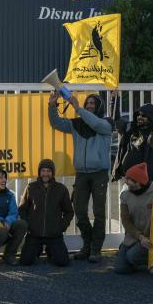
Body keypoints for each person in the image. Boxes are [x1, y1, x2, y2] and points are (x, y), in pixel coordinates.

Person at [49, 92, 113, 263]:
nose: (90, 105)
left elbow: (95, 123)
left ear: (99, 107)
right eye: (88, 103)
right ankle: (88, 244)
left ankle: (95, 250)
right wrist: (52, 105)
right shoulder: (77, 123)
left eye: (93, 103)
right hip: (82, 174)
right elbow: (56, 123)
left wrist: (77, 108)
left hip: (99, 173)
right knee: (80, 210)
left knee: (99, 213)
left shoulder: (106, 124)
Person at [19, 159, 74, 267]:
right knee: (25, 262)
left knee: (63, 262)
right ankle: (37, 249)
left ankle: (50, 250)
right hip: (34, 234)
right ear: (39, 172)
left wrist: (61, 227)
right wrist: (29, 225)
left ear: (52, 173)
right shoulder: (31, 187)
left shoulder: (61, 189)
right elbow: (22, 209)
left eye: (48, 171)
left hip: (54, 234)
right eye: (43, 171)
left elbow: (69, 212)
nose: (45, 174)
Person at [112, 103, 153, 187]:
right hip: (128, 180)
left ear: (151, 118)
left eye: (144, 115)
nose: (139, 117)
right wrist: (115, 100)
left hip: (146, 183)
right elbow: (117, 120)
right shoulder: (131, 129)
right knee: (125, 198)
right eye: (138, 114)